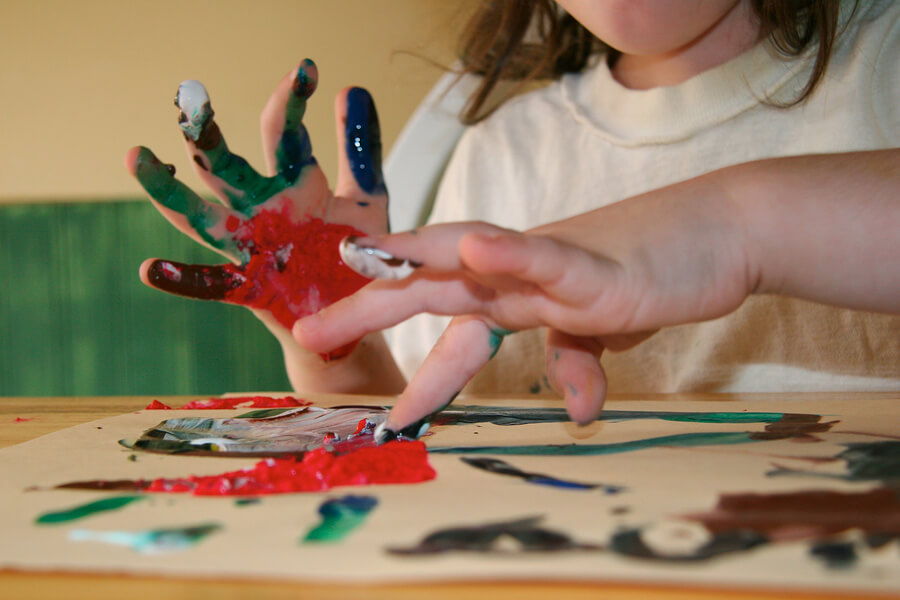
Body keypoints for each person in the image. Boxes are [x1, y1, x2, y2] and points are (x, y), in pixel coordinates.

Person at [134, 0, 900, 441]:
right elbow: (407, 410)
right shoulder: (503, 150)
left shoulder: (883, 62)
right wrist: (338, 336)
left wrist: (739, 220)